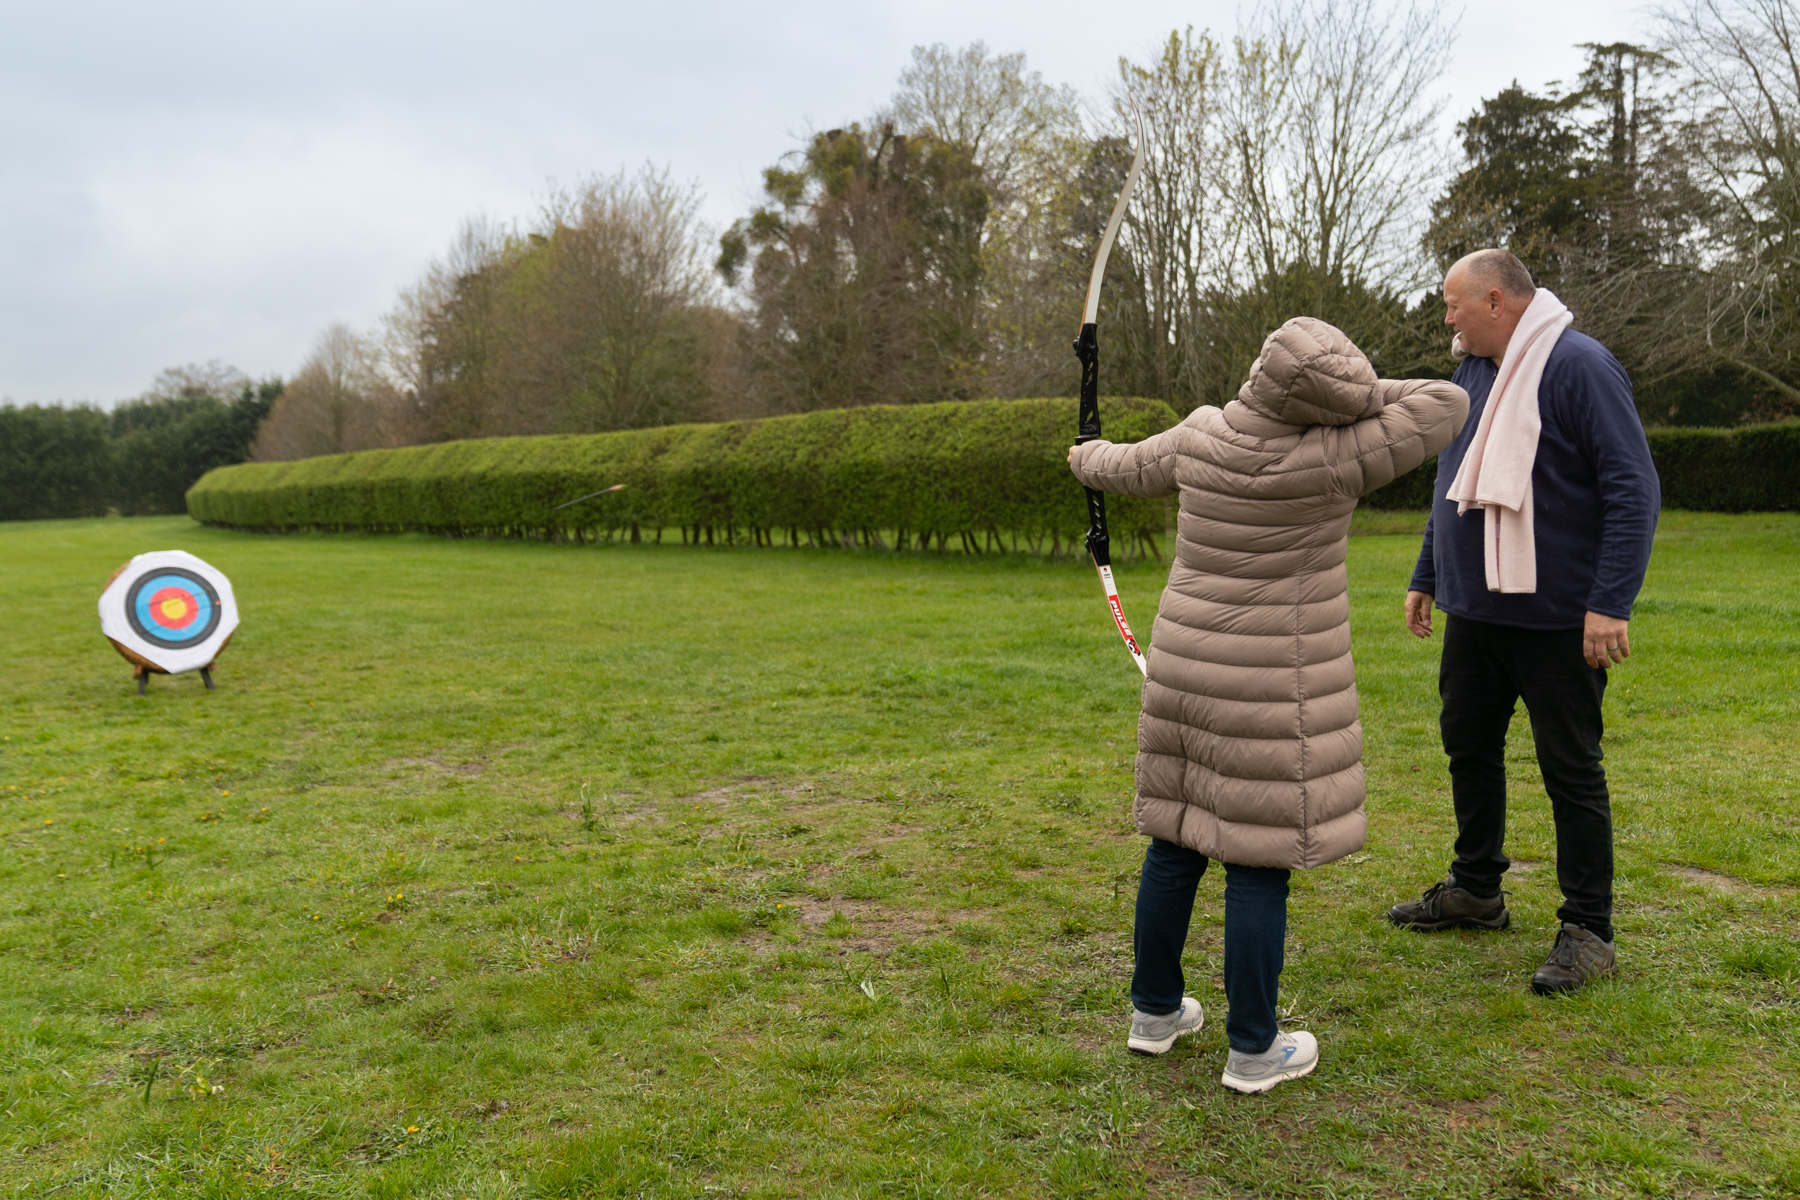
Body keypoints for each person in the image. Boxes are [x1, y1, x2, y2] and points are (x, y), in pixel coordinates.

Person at [1069, 318, 1467, 1093]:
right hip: (1266, 688)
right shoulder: (1334, 453)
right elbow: (1444, 402)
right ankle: (1253, 1051)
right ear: (1328, 398)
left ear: (1258, 372)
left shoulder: (1201, 432)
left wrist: (1082, 455)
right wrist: (1349, 403)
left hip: (1182, 671)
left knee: (1175, 840)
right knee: (1256, 860)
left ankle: (1154, 1013)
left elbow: (1117, 465)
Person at [1388, 249, 1660, 995]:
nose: (1446, 317)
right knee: (1467, 749)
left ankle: (1589, 928)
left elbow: (1633, 488)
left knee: (1570, 770)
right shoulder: (1470, 373)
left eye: (1454, 304)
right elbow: (1453, 482)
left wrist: (1610, 602)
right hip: (1475, 613)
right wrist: (1427, 574)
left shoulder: (1579, 366)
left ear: (1497, 301)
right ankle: (1477, 890)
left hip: (1557, 620)